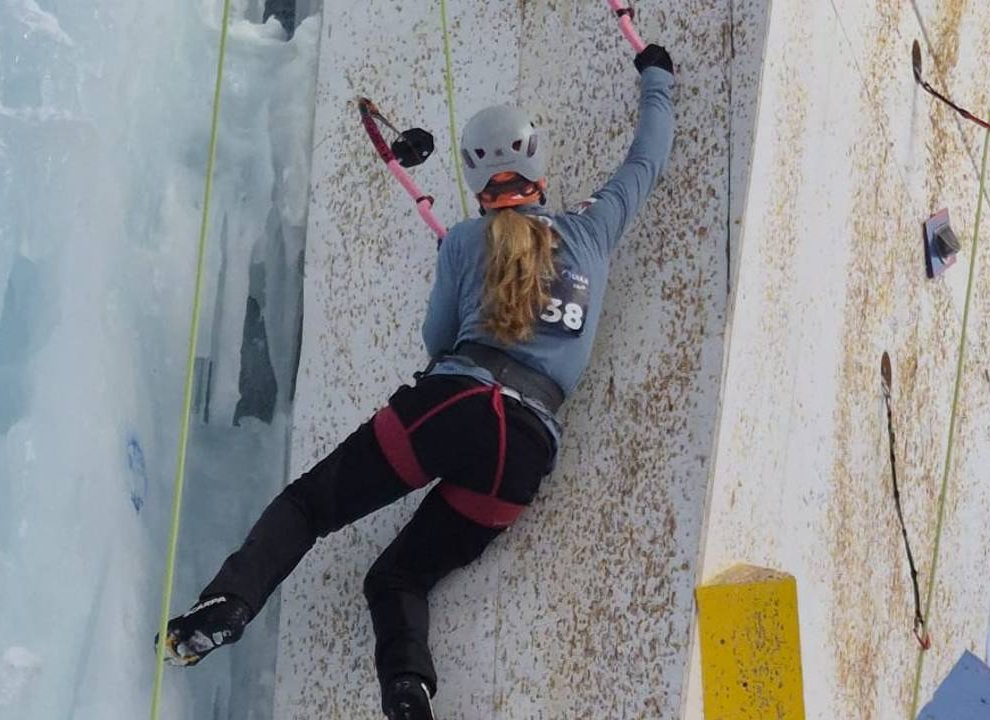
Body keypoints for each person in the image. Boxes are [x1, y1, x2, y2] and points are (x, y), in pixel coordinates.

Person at [159, 42, 677, 720]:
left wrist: (462, 280)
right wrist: (657, 78)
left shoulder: (465, 242)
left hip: (453, 405)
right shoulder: (592, 232)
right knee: (400, 577)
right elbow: (646, 159)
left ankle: (228, 603)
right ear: (538, 162)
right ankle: (408, 692)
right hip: (522, 453)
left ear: (474, 176)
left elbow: (437, 343)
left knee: (311, 506)